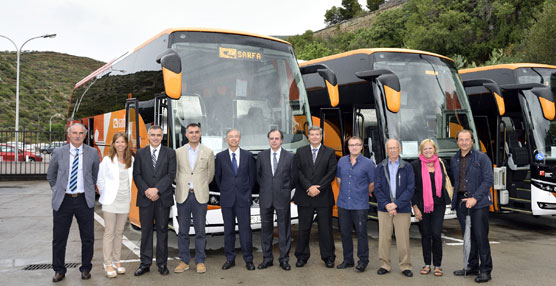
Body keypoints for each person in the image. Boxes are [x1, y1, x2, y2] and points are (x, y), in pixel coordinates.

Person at [47, 123, 100, 282]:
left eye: (81, 133)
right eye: (74, 133)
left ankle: (85, 268)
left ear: (85, 135)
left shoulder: (92, 153)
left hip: (84, 200)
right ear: (69, 135)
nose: (77, 136)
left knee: (88, 237)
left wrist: (88, 190)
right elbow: (51, 175)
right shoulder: (58, 152)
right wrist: (58, 190)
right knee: (59, 238)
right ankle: (59, 270)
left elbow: (94, 175)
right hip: (63, 201)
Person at [450, 130, 494, 283]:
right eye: (461, 140)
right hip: (462, 203)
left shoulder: (482, 158)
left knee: (481, 236)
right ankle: (472, 266)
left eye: (466, 139)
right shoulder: (454, 159)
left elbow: (488, 180)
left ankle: (485, 270)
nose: (464, 142)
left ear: (472, 141)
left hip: (479, 203)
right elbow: (456, 180)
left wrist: (475, 198)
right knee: (468, 236)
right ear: (457, 142)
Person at [133, 125, 177, 276]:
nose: (156, 138)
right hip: (145, 199)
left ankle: (162, 264)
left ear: (162, 136)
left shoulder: (170, 153)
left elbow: (170, 175)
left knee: (162, 231)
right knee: (146, 232)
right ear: (148, 136)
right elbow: (137, 175)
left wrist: (157, 190)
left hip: (162, 198)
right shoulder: (140, 153)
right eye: (153, 135)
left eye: (159, 135)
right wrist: (147, 191)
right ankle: (145, 264)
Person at [293, 126, 337, 268]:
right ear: (308, 136)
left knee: (325, 229)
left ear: (321, 136)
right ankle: (301, 257)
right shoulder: (300, 151)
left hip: (323, 196)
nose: (314, 137)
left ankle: (328, 257)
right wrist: (309, 187)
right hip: (305, 195)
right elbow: (298, 171)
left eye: (317, 134)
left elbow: (331, 172)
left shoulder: (330, 152)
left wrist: (318, 188)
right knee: (304, 229)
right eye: (311, 134)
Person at [174, 123, 215, 274]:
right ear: (186, 135)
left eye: (196, 132)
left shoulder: (208, 152)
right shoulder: (178, 152)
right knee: (183, 231)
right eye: (191, 132)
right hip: (183, 195)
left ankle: (200, 261)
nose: (193, 135)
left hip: (200, 195)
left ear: (200, 134)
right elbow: (175, 173)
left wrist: (199, 184)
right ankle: (184, 261)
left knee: (200, 231)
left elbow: (210, 174)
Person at [214, 129, 256, 271]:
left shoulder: (248, 156)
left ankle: (248, 260)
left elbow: (252, 178)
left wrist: (245, 192)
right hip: (227, 199)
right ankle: (230, 259)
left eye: (236, 136)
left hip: (243, 199)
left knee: (245, 231)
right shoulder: (220, 157)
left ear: (240, 138)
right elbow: (218, 178)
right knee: (228, 231)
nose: (233, 139)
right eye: (230, 137)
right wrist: (227, 190)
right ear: (226, 139)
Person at [256, 129, 297, 271]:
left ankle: (284, 260)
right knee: (266, 230)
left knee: (284, 229)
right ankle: (267, 259)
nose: (274, 141)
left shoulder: (290, 157)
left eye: (277, 138)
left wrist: (284, 189)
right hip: (266, 198)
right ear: (268, 140)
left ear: (281, 140)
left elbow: (293, 178)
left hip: (282, 198)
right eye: (271, 138)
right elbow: (258, 177)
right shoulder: (261, 156)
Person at [411, 139, 452, 277]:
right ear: (421, 151)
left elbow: (449, 180)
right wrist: (415, 207)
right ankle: (427, 264)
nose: (428, 151)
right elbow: (412, 188)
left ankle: (438, 265)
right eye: (425, 149)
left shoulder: (442, 163)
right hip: (422, 206)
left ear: (435, 149)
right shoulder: (415, 165)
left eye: (430, 148)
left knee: (436, 234)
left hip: (439, 205)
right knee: (426, 235)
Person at [374, 138, 415, 277]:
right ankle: (384, 265)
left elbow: (410, 189)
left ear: (400, 149)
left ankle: (405, 266)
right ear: (386, 150)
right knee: (384, 238)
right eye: (390, 148)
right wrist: (387, 205)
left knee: (403, 239)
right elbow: (377, 188)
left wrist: (396, 204)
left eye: (395, 148)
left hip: (402, 208)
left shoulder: (407, 167)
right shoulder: (380, 167)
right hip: (384, 208)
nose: (392, 150)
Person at [335, 136, 376, 272]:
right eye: (351, 145)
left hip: (360, 204)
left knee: (361, 233)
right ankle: (348, 260)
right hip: (343, 203)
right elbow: (339, 180)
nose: (354, 147)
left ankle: (363, 261)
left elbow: (372, 184)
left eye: (357, 145)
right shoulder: (341, 161)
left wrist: (362, 192)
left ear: (361, 147)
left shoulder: (368, 163)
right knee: (345, 233)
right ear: (348, 147)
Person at [97, 132, 134, 278]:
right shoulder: (107, 160)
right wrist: (105, 194)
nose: (120, 144)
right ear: (113, 144)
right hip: (110, 202)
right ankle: (108, 263)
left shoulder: (131, 159)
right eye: (117, 142)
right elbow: (100, 180)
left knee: (119, 233)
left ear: (126, 144)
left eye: (122, 142)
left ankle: (117, 261)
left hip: (125, 201)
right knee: (109, 232)